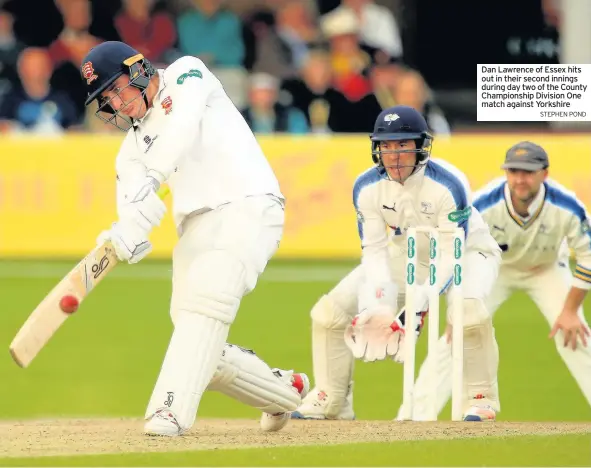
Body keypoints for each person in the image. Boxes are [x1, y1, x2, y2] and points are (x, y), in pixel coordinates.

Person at [80, 41, 308, 436]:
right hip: (195, 229)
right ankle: (284, 392)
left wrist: (155, 177)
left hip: (248, 204)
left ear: (138, 71)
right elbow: (134, 217)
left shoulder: (187, 74)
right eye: (107, 98)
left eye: (118, 88)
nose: (116, 103)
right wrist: (126, 235)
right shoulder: (130, 153)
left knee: (207, 306)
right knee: (198, 341)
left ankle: (168, 411)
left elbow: (182, 126)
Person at [292, 105, 502, 421]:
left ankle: (481, 398)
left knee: (467, 312)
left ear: (421, 147)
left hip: (468, 252)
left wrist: (416, 308)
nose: (394, 155)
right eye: (386, 146)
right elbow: (375, 250)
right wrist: (380, 305)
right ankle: (332, 399)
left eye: (402, 145)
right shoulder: (366, 187)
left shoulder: (448, 184)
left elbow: (449, 256)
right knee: (328, 313)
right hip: (409, 254)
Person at [397, 141, 591, 420]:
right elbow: (458, 249)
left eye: (528, 172)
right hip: (495, 267)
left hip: (546, 268)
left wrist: (571, 310)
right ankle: (413, 416)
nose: (520, 179)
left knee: (576, 334)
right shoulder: (484, 203)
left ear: (544, 174)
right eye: (513, 171)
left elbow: (587, 255)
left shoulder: (567, 206)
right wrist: (458, 305)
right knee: (458, 333)